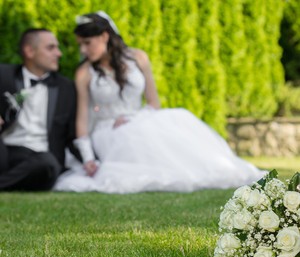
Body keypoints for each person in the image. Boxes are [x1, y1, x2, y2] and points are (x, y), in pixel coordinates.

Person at [54, 11, 265, 193]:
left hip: (139, 118)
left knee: (176, 120)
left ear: (104, 36)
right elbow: (82, 120)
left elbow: (153, 102)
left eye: (87, 43)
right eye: (80, 44)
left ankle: (207, 170)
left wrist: (132, 118)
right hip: (106, 128)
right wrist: (89, 158)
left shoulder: (138, 58)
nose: (82, 50)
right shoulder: (84, 73)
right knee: (131, 136)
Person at [0, 28, 78, 191]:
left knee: (47, 165)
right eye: (51, 48)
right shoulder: (5, 75)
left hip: (40, 156)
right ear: (29, 51)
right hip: (5, 150)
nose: (59, 53)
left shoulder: (66, 88)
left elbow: (73, 134)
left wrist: (91, 160)